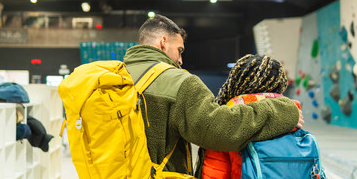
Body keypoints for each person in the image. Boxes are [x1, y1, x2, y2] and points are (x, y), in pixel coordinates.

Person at [123, 14, 304, 175]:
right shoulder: (178, 82)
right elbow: (221, 129)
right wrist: (282, 111)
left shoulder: (116, 76)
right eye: (179, 50)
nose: (180, 60)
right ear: (163, 42)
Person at [200, 54, 300, 179]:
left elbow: (215, 173)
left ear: (237, 81)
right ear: (280, 83)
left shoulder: (228, 120)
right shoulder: (293, 116)